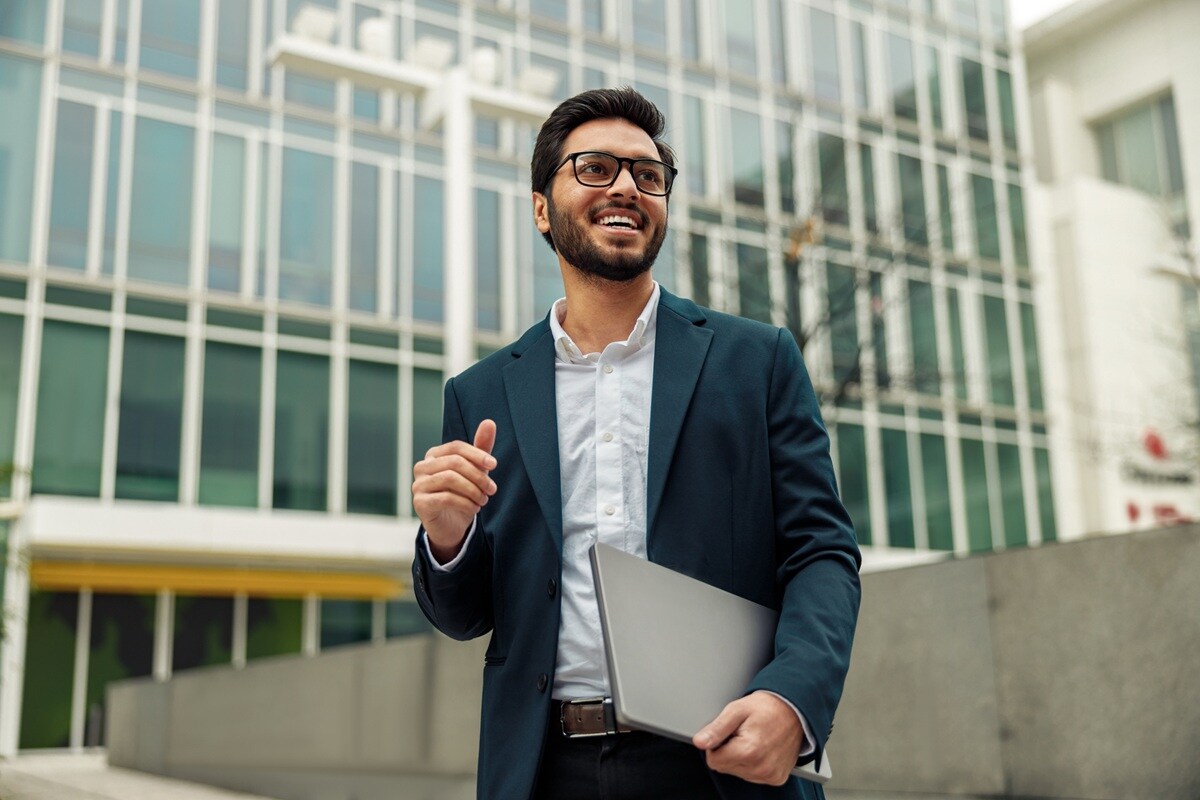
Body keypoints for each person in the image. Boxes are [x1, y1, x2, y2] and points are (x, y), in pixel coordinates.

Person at [411, 87, 861, 800]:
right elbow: (465, 615)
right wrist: (446, 539)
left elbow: (822, 552)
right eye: (594, 167)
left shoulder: (759, 361)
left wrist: (792, 697)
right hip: (540, 771)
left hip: (720, 764)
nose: (626, 185)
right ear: (541, 208)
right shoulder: (482, 394)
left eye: (647, 175)